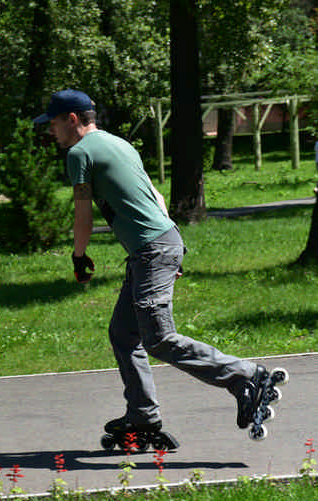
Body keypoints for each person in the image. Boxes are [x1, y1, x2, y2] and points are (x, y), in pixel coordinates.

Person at [33, 89, 288, 447]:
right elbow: (158, 196)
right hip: (157, 247)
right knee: (124, 334)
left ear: (72, 119)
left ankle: (247, 376)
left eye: (54, 123)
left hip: (152, 251)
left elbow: (83, 215)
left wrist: (79, 256)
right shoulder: (119, 144)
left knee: (158, 338)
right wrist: (169, 253)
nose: (51, 132)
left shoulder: (79, 154)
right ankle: (142, 414)